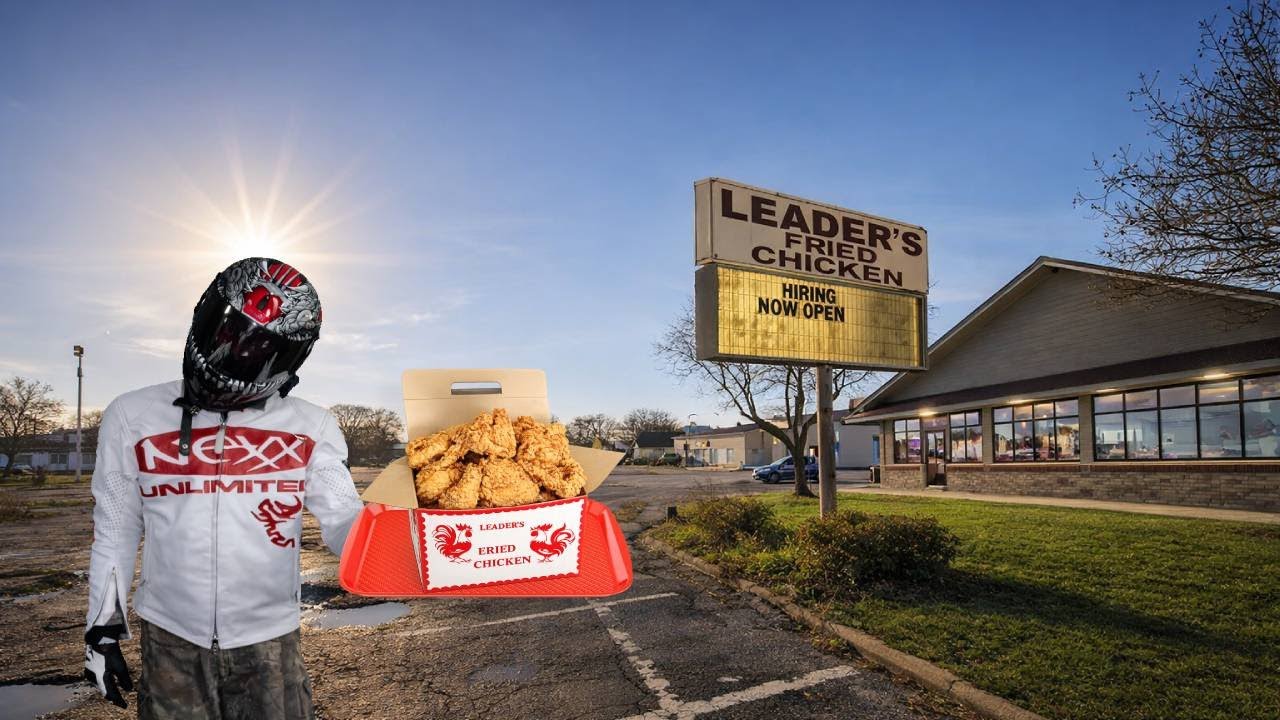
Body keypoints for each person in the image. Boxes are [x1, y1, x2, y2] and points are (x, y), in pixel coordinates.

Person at [84, 257, 364, 719]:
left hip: (270, 639)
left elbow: (345, 522)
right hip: (170, 636)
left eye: (265, 348)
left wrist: (421, 544)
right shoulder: (131, 415)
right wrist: (101, 629)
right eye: (232, 332)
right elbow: (115, 528)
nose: (242, 353)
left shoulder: (312, 424)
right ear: (206, 314)